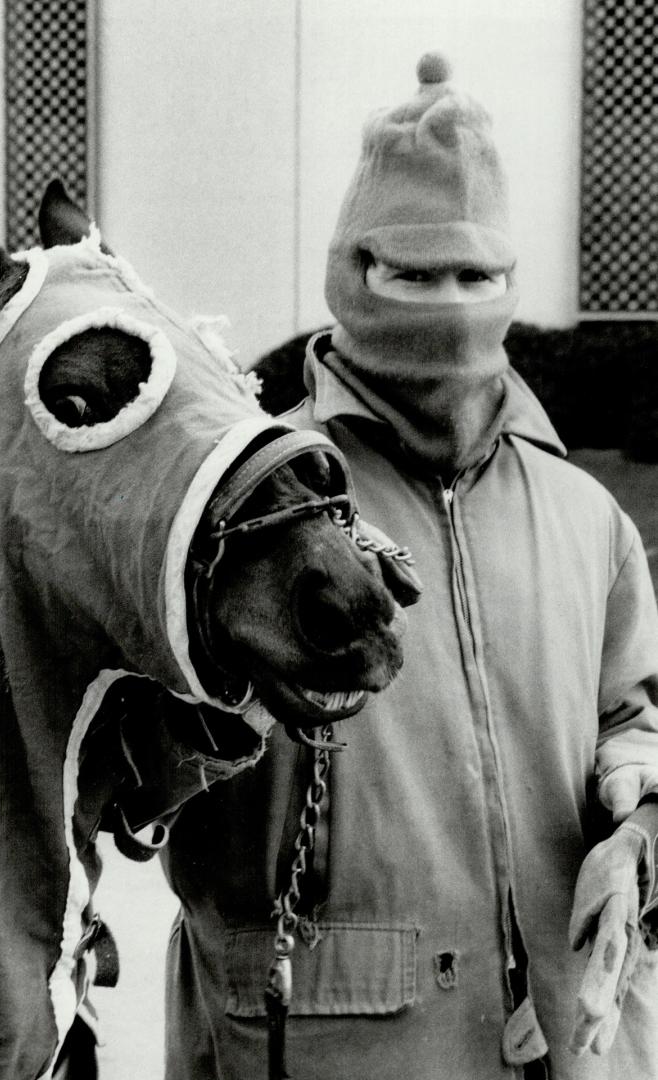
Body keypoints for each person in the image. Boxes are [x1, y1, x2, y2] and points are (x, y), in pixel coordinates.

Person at [158, 53, 658, 1079]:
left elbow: (632, 721)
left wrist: (641, 831)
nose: (450, 305)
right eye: (415, 274)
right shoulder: (247, 504)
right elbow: (141, 753)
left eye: (475, 276)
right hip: (330, 1041)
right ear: (353, 271)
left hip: (576, 1039)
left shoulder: (585, 517)